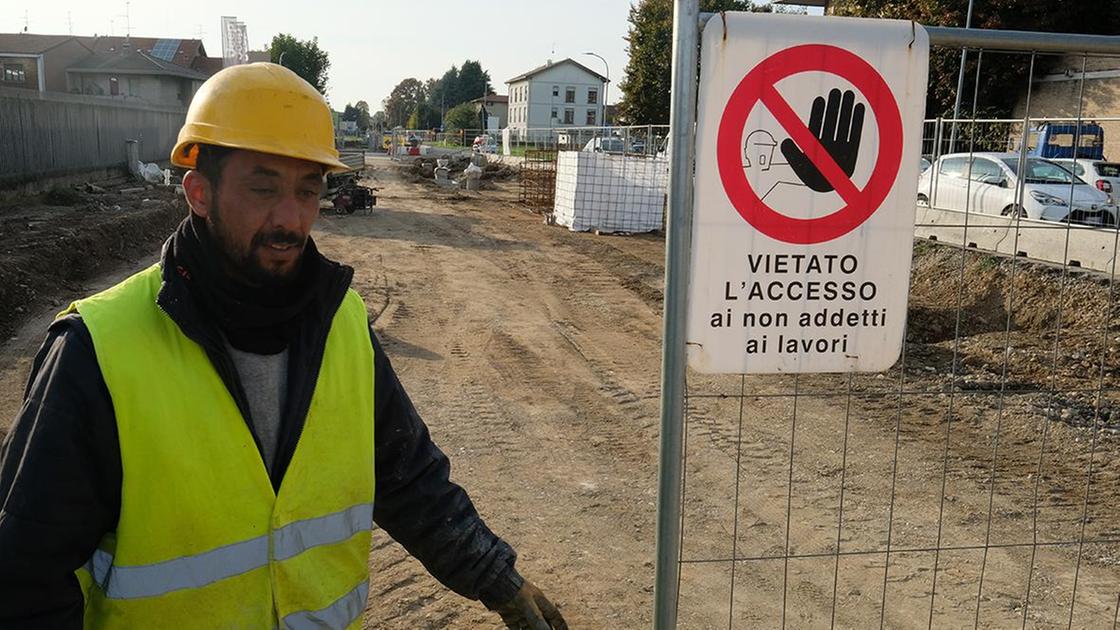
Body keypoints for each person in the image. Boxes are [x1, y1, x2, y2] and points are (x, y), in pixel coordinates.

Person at [0, 63, 567, 630]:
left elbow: (407, 477)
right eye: (263, 187)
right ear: (199, 192)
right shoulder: (96, 351)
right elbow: (25, 579)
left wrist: (496, 578)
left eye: (307, 190)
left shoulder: (341, 322)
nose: (291, 220)